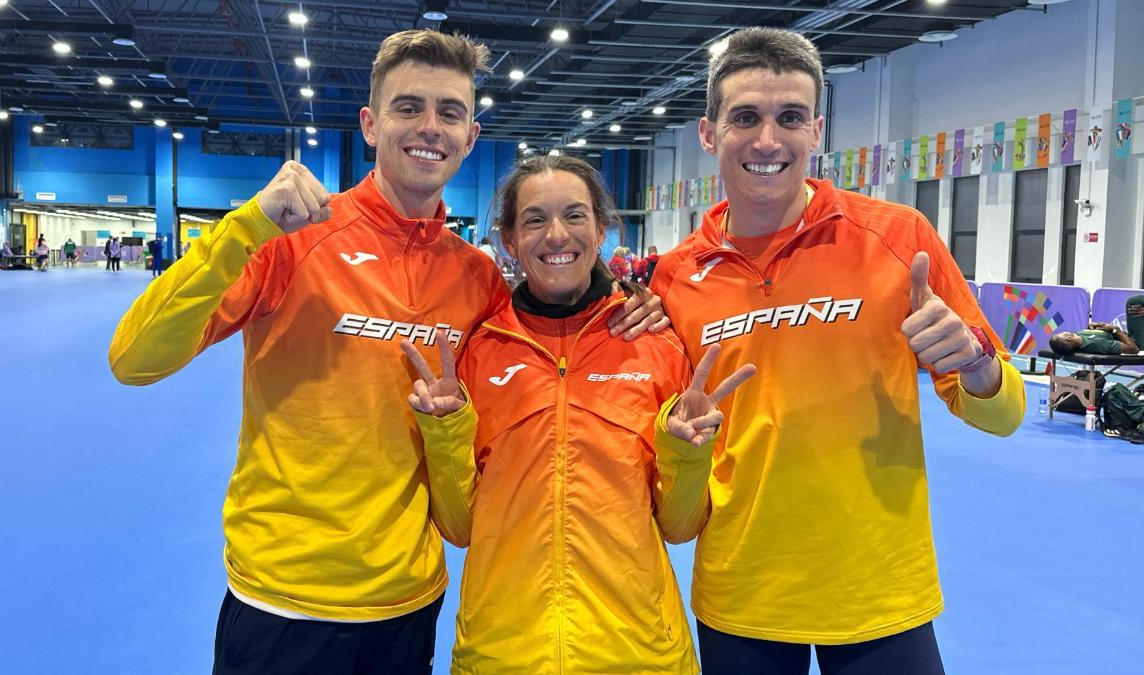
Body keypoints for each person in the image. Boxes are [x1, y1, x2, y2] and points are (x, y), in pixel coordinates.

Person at [108, 30, 664, 675]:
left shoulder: (476, 278)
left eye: (450, 112)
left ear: (470, 137)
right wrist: (245, 227)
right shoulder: (291, 241)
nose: (430, 127)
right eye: (409, 107)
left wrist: (628, 298)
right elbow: (135, 359)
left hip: (409, 601)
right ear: (370, 124)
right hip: (286, 600)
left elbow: (553, 343)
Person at [649, 27, 1026, 674]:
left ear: (816, 131)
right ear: (708, 134)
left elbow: (1005, 414)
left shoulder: (897, 237)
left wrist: (975, 361)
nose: (768, 140)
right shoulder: (677, 277)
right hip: (745, 593)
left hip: (880, 590)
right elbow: (677, 501)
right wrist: (679, 441)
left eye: (790, 117)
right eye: (745, 117)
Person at [402, 154, 754, 673]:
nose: (557, 235)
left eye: (575, 215)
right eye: (535, 219)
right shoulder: (481, 351)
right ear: (509, 241)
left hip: (636, 653)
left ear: (602, 228)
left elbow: (680, 526)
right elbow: (458, 527)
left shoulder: (653, 343)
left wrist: (686, 450)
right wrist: (444, 431)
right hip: (504, 653)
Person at [1048, 322, 1139, 356]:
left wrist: (1093, 326)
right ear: (1068, 339)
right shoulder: (1098, 344)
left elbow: (1095, 333)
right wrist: (1115, 329)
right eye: (1061, 334)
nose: (1062, 331)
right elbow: (1133, 349)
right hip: (1135, 338)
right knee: (1135, 302)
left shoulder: (1078, 336)